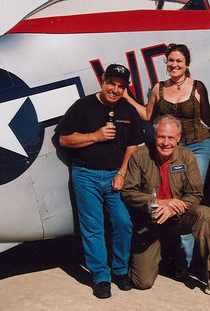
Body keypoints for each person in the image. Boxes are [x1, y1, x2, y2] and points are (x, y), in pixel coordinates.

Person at [124, 43, 210, 277]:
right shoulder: (158, 88)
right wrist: (127, 97)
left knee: (187, 199)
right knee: (170, 197)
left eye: (179, 61)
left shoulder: (197, 87)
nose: (174, 65)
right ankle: (180, 259)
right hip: (169, 148)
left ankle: (186, 260)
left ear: (187, 64)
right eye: (170, 61)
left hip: (198, 146)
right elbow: (148, 115)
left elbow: (207, 117)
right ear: (166, 63)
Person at [121, 115, 210, 300]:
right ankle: (164, 255)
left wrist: (173, 209)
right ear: (154, 136)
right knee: (142, 282)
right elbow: (128, 191)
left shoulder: (186, 156)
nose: (166, 143)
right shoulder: (140, 155)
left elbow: (196, 193)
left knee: (204, 214)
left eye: (171, 138)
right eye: (161, 137)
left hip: (176, 218)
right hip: (149, 221)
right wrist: (161, 203)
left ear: (178, 138)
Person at [55, 64, 144, 299]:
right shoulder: (83, 106)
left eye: (121, 86)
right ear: (102, 81)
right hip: (86, 175)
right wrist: (95, 136)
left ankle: (120, 270)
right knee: (93, 228)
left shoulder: (127, 110)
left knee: (123, 223)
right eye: (111, 83)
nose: (115, 89)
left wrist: (123, 172)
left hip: (115, 176)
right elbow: (63, 139)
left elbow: (133, 144)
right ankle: (101, 277)